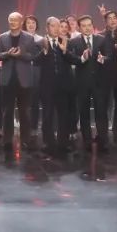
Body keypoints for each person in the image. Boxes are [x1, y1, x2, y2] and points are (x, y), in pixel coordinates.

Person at [0, 12, 41, 149]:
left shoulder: (29, 38)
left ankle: (25, 139)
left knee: (24, 112)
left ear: (21, 22)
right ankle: (7, 140)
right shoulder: (2, 37)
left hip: (24, 79)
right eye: (10, 20)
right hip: (7, 79)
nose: (12, 22)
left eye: (15, 20)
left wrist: (21, 54)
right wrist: (7, 54)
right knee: (7, 111)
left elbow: (33, 56)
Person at [68, 15, 112, 151]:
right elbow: (70, 58)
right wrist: (81, 58)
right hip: (82, 82)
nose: (87, 28)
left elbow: (110, 56)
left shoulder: (101, 39)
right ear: (79, 27)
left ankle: (103, 140)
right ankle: (87, 140)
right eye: (84, 26)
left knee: (101, 111)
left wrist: (102, 59)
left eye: (89, 25)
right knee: (84, 112)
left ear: (92, 26)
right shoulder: (73, 41)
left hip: (99, 82)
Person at [38, 16, 75, 154]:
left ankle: (63, 143)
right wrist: (44, 52)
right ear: (47, 28)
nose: (56, 29)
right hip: (46, 86)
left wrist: (65, 51)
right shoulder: (40, 42)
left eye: (58, 26)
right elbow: (34, 60)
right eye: (53, 26)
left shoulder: (65, 42)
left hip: (63, 85)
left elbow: (72, 59)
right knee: (47, 114)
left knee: (63, 115)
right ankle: (48, 143)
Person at [100, 9, 117, 143]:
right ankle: (103, 132)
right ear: (105, 21)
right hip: (104, 75)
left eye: (114, 17)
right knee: (103, 105)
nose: (112, 20)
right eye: (109, 18)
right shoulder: (100, 36)